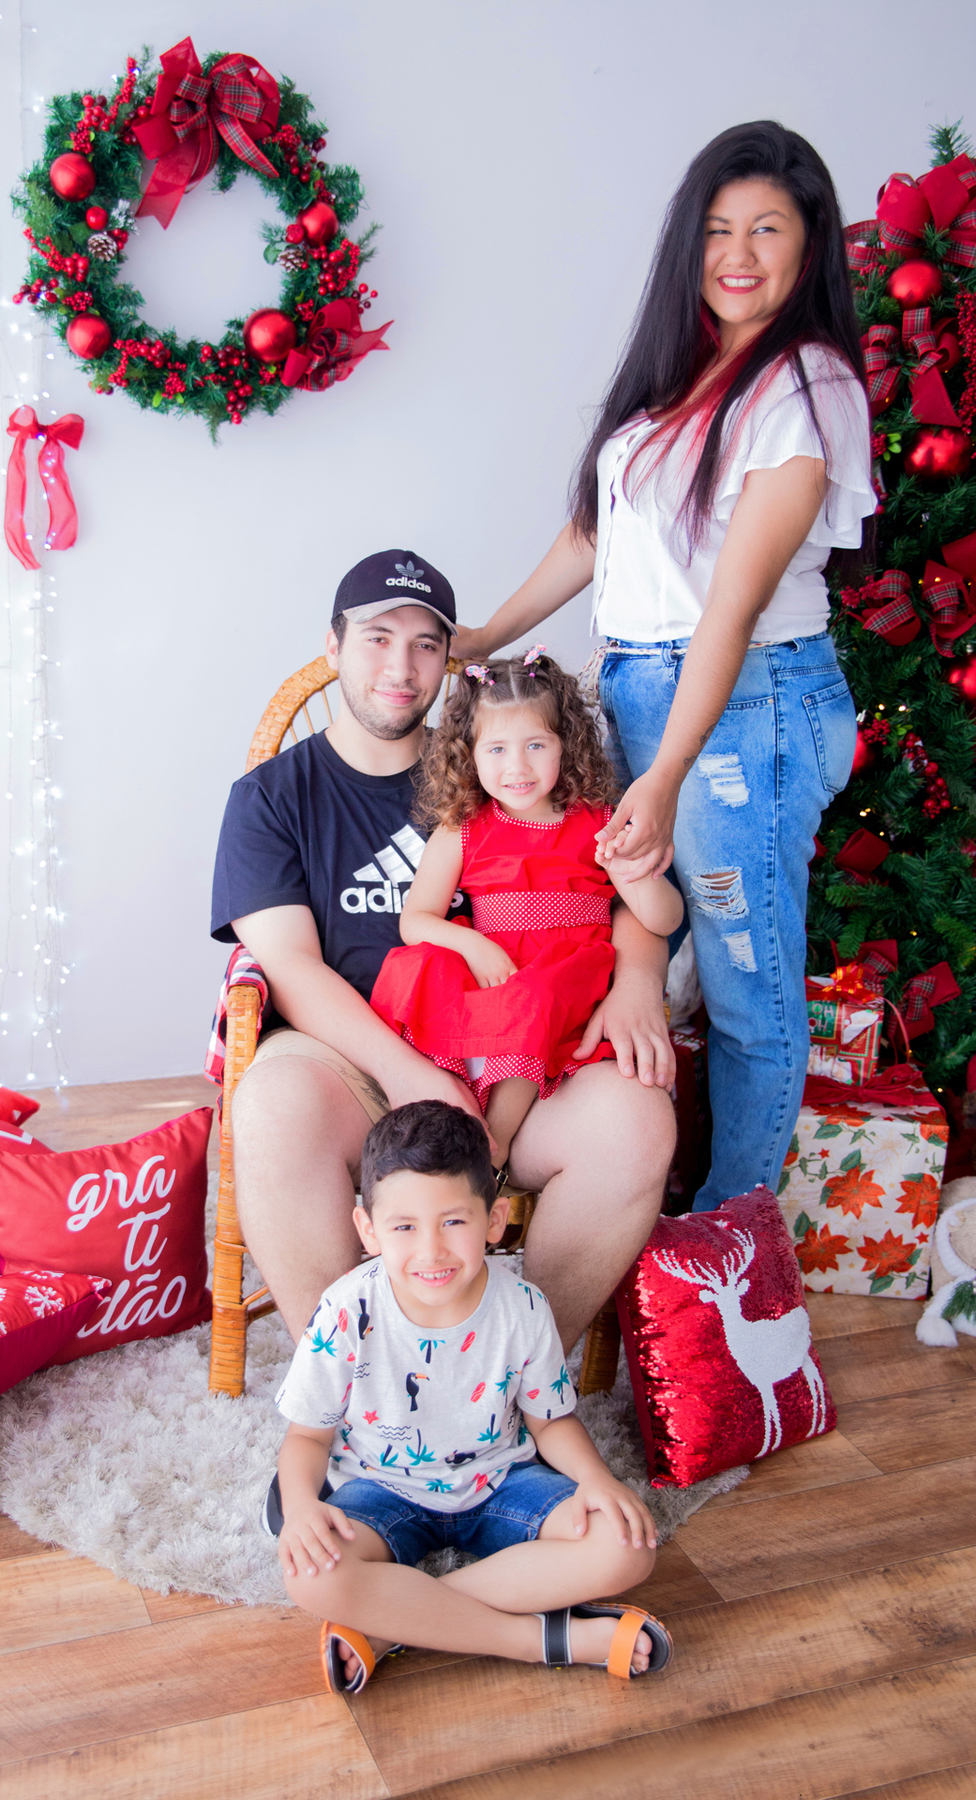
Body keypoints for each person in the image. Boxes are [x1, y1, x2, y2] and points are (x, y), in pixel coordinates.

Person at [452, 121, 875, 1212]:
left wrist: (668, 768)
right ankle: (648, 1191)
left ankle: (726, 1238)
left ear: (808, 245)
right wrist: (487, 636)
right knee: (649, 953)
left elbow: (729, 607)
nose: (738, 252)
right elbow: (599, 537)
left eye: (767, 228)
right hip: (647, 690)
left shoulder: (806, 384)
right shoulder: (682, 378)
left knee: (747, 986)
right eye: (717, 229)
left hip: (741, 708)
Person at [211, 549, 676, 1354]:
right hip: (353, 1065)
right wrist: (408, 1073)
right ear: (333, 646)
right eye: (377, 637)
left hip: (523, 1059)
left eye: (427, 642)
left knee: (636, 1120)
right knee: (270, 1106)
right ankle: (354, 1389)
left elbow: (604, 875)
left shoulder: (505, 758)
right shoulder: (273, 799)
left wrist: (638, 974)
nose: (401, 664)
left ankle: (513, 1380)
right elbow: (288, 967)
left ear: (450, 660)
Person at [274, 1100, 672, 1695]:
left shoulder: (523, 1308)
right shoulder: (346, 1309)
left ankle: (390, 1626)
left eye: (453, 1222)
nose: (431, 1251)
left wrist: (598, 1481)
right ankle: (541, 1641)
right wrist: (302, 1506)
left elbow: (551, 1422)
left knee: (626, 1547)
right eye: (404, 1227)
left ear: (494, 1220)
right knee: (311, 1577)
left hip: (501, 1484)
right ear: (369, 1230)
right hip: (382, 1491)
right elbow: (306, 1436)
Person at [371, 649, 682, 1169]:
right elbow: (415, 921)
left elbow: (666, 920)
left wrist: (634, 875)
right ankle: (445, 1116)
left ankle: (492, 1146)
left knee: (532, 999)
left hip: (565, 973)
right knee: (421, 968)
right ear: (469, 754)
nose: (516, 766)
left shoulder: (601, 820)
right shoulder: (463, 828)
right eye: (496, 748)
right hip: (497, 963)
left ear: (567, 745)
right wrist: (472, 943)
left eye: (536, 744)